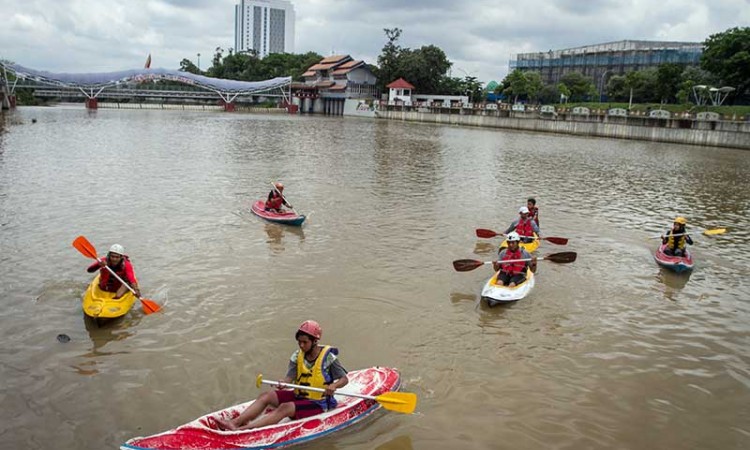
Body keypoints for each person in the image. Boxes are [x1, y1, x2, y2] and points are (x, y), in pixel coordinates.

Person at [216, 320, 349, 431]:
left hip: (319, 403)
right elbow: (289, 378)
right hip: (300, 396)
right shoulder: (297, 356)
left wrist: (334, 385)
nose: (301, 346)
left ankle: (245, 430)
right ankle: (235, 423)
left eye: (305, 342)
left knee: (285, 408)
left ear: (314, 341)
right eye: (299, 342)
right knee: (266, 396)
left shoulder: (328, 358)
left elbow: (344, 379)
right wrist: (283, 382)